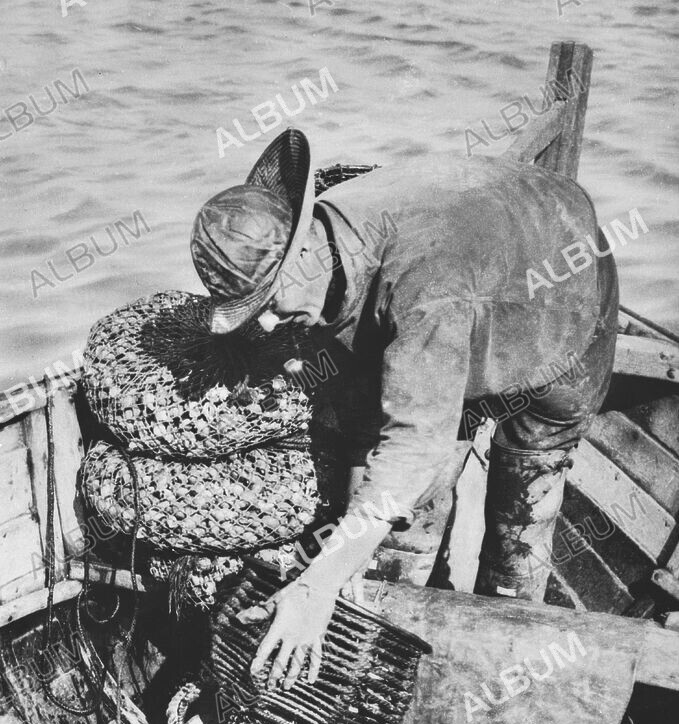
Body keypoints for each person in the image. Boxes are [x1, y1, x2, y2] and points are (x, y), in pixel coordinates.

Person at [190, 127, 618, 691]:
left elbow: (415, 443)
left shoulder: (424, 291)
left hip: (561, 290)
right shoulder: (332, 224)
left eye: (269, 303)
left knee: (524, 491)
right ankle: (401, 622)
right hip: (477, 254)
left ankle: (503, 652)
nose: (267, 324)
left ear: (302, 249)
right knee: (407, 499)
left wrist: (318, 585)